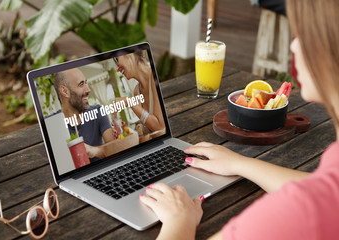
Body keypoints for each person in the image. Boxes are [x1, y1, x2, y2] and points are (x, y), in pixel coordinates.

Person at [139, 0, 339, 239]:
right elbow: (322, 189)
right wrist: (240, 164)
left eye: (304, 34)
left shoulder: (293, 216)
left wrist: (178, 221)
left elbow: (309, 202)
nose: (293, 46)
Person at [54, 68, 116, 162]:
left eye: (86, 83)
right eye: (81, 84)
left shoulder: (98, 112)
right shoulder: (52, 125)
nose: (88, 90)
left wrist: (93, 150)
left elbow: (114, 150)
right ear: (65, 91)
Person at [114, 52, 165, 138]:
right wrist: (127, 130)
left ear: (129, 54)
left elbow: (160, 128)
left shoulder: (153, 77)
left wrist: (129, 102)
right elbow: (150, 129)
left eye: (117, 60)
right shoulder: (136, 91)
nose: (117, 69)